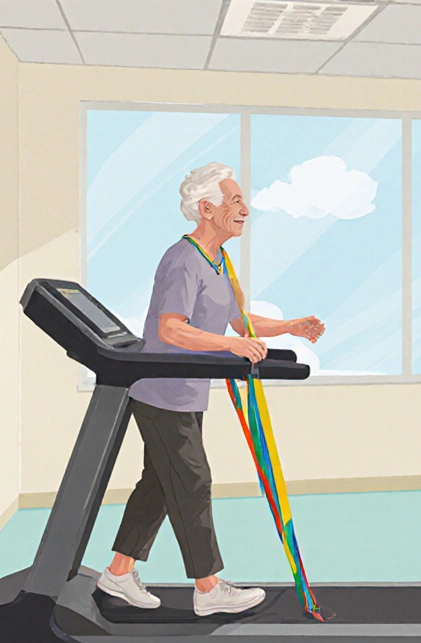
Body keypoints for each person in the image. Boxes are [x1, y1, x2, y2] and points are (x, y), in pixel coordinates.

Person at [95, 162, 326, 617]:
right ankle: (207, 588)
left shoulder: (220, 260)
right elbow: (172, 329)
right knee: (193, 481)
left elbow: (241, 322)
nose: (245, 208)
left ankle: (118, 573)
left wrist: (290, 327)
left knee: (161, 483)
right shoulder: (183, 259)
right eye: (235, 200)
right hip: (161, 390)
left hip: (186, 391)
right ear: (207, 208)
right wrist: (231, 345)